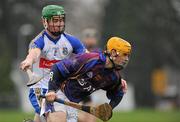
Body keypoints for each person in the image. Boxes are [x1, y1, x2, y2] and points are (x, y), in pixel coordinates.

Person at [20, 5, 86, 122]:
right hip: (41, 90)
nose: (59, 24)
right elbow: (34, 53)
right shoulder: (39, 41)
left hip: (62, 91)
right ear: (44, 21)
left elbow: (89, 58)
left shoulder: (71, 41)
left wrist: (110, 71)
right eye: (55, 20)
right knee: (57, 119)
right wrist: (29, 60)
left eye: (61, 20)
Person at [44, 36, 131, 122]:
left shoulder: (114, 77)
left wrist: (110, 107)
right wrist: (51, 90)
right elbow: (56, 68)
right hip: (58, 94)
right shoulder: (90, 59)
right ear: (113, 52)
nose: (126, 59)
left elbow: (119, 93)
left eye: (128, 56)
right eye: (124, 54)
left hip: (73, 103)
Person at [78, 28, 99, 122]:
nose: (91, 40)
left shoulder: (99, 54)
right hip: (76, 88)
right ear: (84, 39)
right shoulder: (78, 53)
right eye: (88, 37)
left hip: (89, 90)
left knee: (91, 118)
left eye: (93, 37)